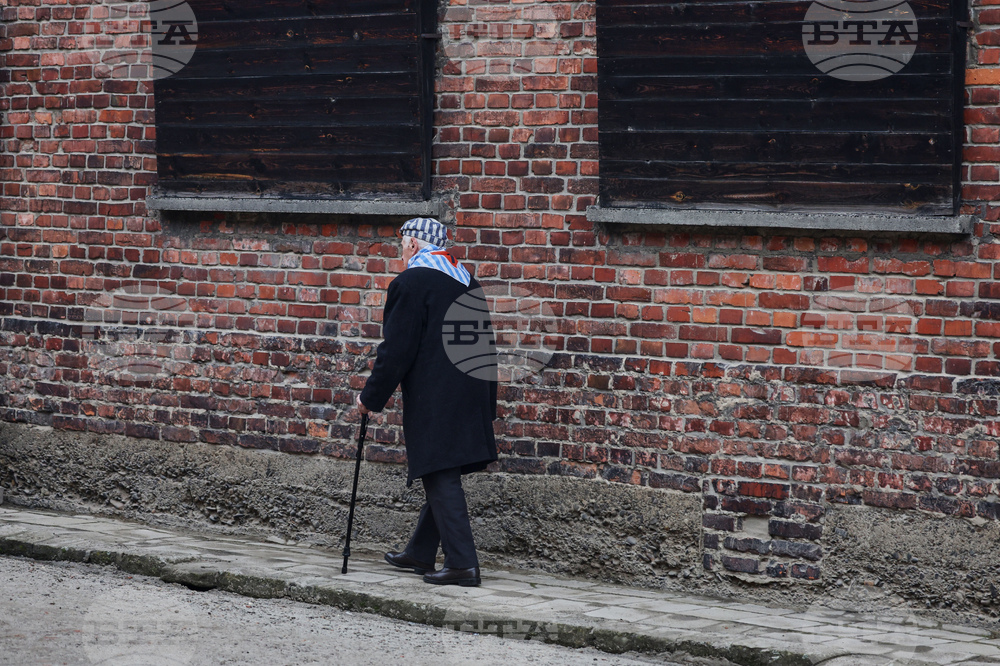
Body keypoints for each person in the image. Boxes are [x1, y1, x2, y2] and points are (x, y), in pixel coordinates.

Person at [356, 217, 498, 587]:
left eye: (402, 244)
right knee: (444, 466)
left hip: (437, 393)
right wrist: (488, 403)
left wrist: (371, 398)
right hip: (472, 389)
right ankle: (420, 551)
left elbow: (397, 349)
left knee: (438, 469)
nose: (400, 251)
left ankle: (462, 565)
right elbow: (486, 347)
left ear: (414, 245)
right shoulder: (466, 279)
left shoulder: (411, 282)